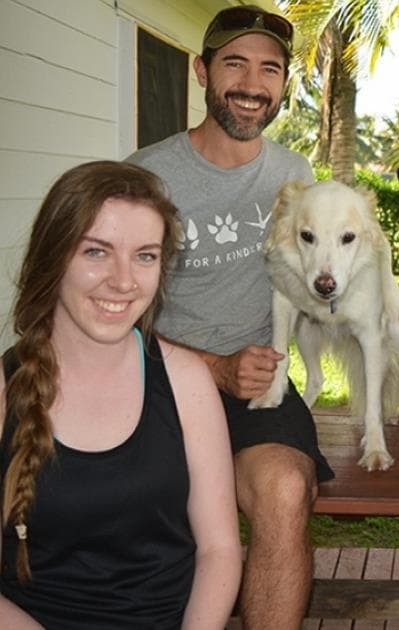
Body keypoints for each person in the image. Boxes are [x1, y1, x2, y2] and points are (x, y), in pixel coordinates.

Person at [125, 6, 335, 627]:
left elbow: (304, 281)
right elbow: (115, 311)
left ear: (283, 84)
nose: (252, 83)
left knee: (285, 490)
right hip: (155, 379)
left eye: (269, 68)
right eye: (235, 63)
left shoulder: (293, 173)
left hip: (254, 383)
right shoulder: (147, 177)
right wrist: (211, 367)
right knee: (137, 506)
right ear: (202, 71)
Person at [0, 161, 241, 628]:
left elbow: (219, 551)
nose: (124, 280)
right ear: (53, 257)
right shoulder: (7, 391)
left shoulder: (186, 382)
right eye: (96, 252)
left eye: (145, 256)